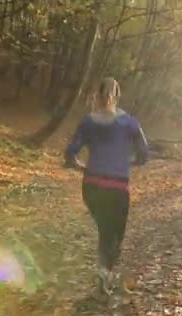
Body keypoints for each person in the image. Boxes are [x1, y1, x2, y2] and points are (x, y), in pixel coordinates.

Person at [64, 77, 148, 295]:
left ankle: (104, 272)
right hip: (117, 187)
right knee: (114, 234)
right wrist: (128, 162)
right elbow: (144, 154)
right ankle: (105, 272)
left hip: (91, 186)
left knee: (104, 229)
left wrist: (82, 166)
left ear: (96, 95)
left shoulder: (87, 121)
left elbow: (70, 152)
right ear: (117, 95)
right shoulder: (130, 122)